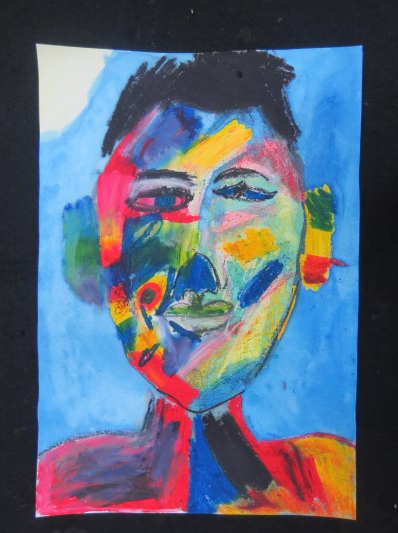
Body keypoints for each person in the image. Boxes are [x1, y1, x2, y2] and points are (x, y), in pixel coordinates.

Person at [36, 50, 355, 517]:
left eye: (243, 193)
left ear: (314, 235)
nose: (198, 260)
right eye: (161, 199)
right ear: (104, 244)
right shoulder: (54, 491)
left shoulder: (339, 487)